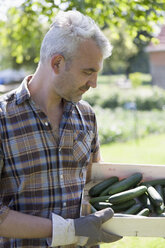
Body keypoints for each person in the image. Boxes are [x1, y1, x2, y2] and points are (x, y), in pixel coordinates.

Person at [0, 10, 122, 248]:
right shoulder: (3, 118)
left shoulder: (86, 116)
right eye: (88, 72)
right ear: (57, 62)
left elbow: (92, 183)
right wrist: (68, 230)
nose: (94, 84)